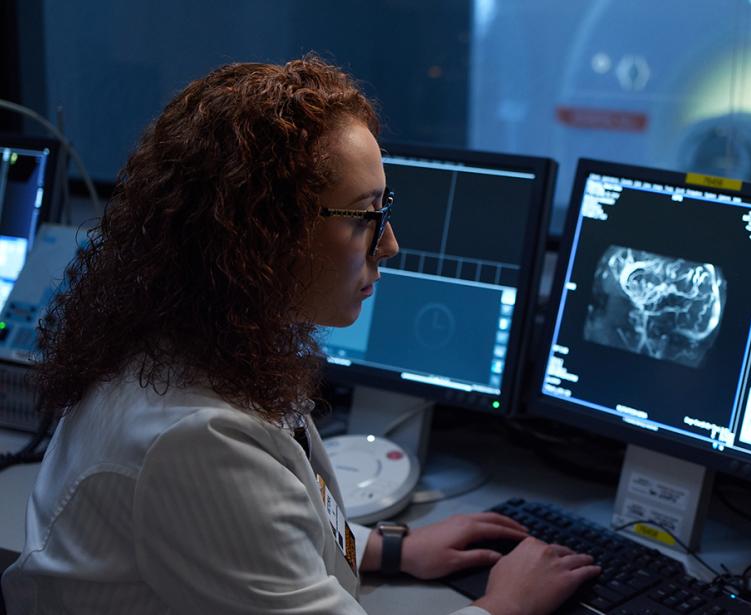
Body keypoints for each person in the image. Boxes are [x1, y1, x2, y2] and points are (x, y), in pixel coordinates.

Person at [1, 56, 600, 615]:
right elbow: (237, 505)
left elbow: (264, 515)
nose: (389, 244)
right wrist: (504, 606)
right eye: (367, 216)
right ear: (261, 237)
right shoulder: (195, 440)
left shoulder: (195, 343)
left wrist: (390, 549)